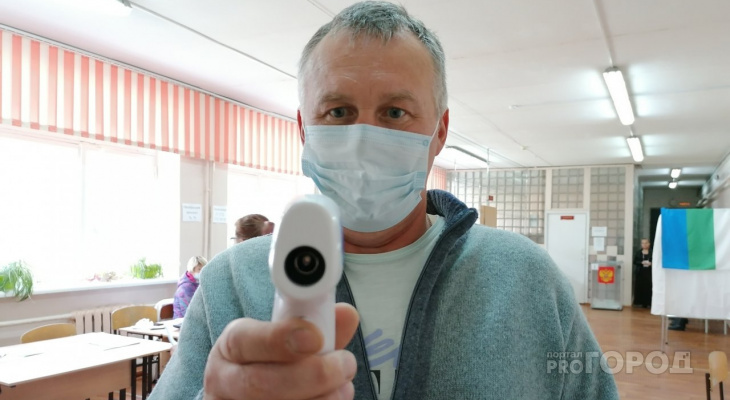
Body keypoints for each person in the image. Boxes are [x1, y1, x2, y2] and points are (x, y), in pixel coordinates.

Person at [150, 2, 618, 399]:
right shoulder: (231, 282)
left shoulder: (526, 278)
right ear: (304, 130)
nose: (363, 140)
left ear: (439, 132)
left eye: (395, 112)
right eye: (338, 112)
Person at [633, 238, 653, 308]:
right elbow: (635, 261)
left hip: (649, 272)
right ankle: (639, 302)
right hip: (640, 272)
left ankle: (649, 303)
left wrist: (651, 263)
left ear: (649, 244)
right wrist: (641, 262)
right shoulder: (638, 252)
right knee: (640, 286)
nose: (644, 244)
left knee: (649, 287)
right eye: (643, 243)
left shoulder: (652, 252)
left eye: (646, 243)